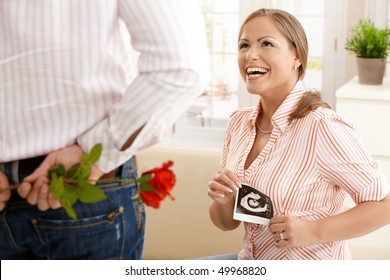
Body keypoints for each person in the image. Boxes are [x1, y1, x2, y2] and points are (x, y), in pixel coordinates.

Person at [0, 0, 209, 260]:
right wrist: (97, 153)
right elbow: (182, 67)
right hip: (85, 192)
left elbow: (180, 70)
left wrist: (93, 156)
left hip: (80, 187)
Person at [207, 8, 390, 260]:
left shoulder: (323, 126)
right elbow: (226, 223)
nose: (251, 55)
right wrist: (223, 199)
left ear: (297, 57)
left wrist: (313, 230)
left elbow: (385, 206)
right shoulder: (239, 123)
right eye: (244, 45)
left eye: (266, 44)